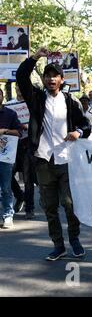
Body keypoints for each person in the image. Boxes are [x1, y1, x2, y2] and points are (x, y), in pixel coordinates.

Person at [16, 47, 92, 261]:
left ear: (61, 79)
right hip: (43, 161)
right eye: (47, 75)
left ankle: (75, 240)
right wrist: (35, 57)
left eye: (54, 76)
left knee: (69, 204)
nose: (51, 79)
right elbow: (21, 76)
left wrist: (77, 132)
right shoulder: (37, 99)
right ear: (44, 78)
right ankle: (58, 245)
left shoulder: (70, 101)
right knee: (49, 207)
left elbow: (85, 124)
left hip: (66, 160)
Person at [5, 84, 37, 219]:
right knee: (7, 175)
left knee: (28, 178)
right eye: (18, 88)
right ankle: (19, 195)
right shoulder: (9, 105)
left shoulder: (33, 104)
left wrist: (28, 127)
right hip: (12, 145)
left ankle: (30, 208)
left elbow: (38, 122)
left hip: (27, 145)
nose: (20, 90)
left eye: (22, 88)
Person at [0, 88, 21, 229]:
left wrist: (5, 131)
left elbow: (19, 131)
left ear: (2, 96)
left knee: (6, 187)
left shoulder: (10, 113)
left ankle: (8, 215)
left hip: (5, 156)